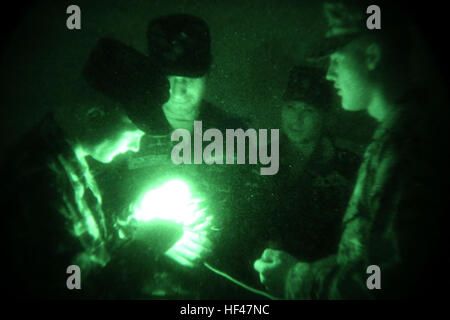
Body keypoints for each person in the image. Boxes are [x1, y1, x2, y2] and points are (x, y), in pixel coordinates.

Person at [253, 1, 444, 299]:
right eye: (290, 107)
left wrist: (295, 279)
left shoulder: (406, 144)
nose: (329, 74)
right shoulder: (397, 136)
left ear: (371, 55)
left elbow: (384, 281)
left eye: (338, 59)